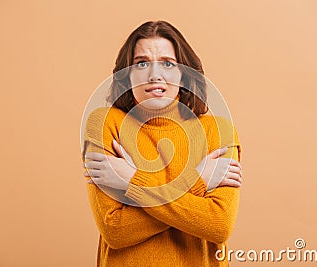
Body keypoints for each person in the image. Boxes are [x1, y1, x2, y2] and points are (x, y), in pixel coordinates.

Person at [82, 20, 242, 267]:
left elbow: (218, 225)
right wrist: (196, 182)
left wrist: (132, 179)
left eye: (168, 63)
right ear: (127, 74)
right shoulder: (105, 123)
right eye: (141, 63)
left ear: (184, 74)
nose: (154, 75)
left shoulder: (218, 131)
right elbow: (115, 230)